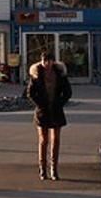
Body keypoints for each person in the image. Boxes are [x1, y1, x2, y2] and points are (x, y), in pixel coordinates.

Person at [26, 50, 73, 180]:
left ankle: (54, 168)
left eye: (49, 61)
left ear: (53, 61)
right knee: (43, 140)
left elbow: (68, 92)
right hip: (42, 111)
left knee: (56, 140)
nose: (47, 64)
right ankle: (42, 168)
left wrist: (60, 102)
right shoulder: (36, 74)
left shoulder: (59, 73)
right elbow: (30, 92)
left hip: (56, 110)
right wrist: (39, 104)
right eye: (44, 61)